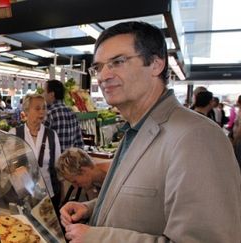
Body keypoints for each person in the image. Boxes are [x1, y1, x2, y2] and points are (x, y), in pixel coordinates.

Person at [61, 21, 241, 243]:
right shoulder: (135, 130)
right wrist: (90, 208)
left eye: (118, 62)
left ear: (156, 64)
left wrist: (100, 238)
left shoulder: (197, 137)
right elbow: (146, 201)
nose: (104, 75)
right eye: (98, 67)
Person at [8, 94, 62, 208]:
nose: (42, 112)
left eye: (44, 108)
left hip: (49, 194)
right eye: (37, 108)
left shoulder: (51, 135)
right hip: (22, 194)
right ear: (26, 111)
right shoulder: (15, 133)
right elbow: (4, 162)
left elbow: (58, 166)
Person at [43, 80, 84, 152]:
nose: (43, 94)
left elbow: (42, 143)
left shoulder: (49, 114)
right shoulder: (72, 113)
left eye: (45, 91)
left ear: (52, 94)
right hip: (69, 161)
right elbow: (79, 143)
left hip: (53, 162)